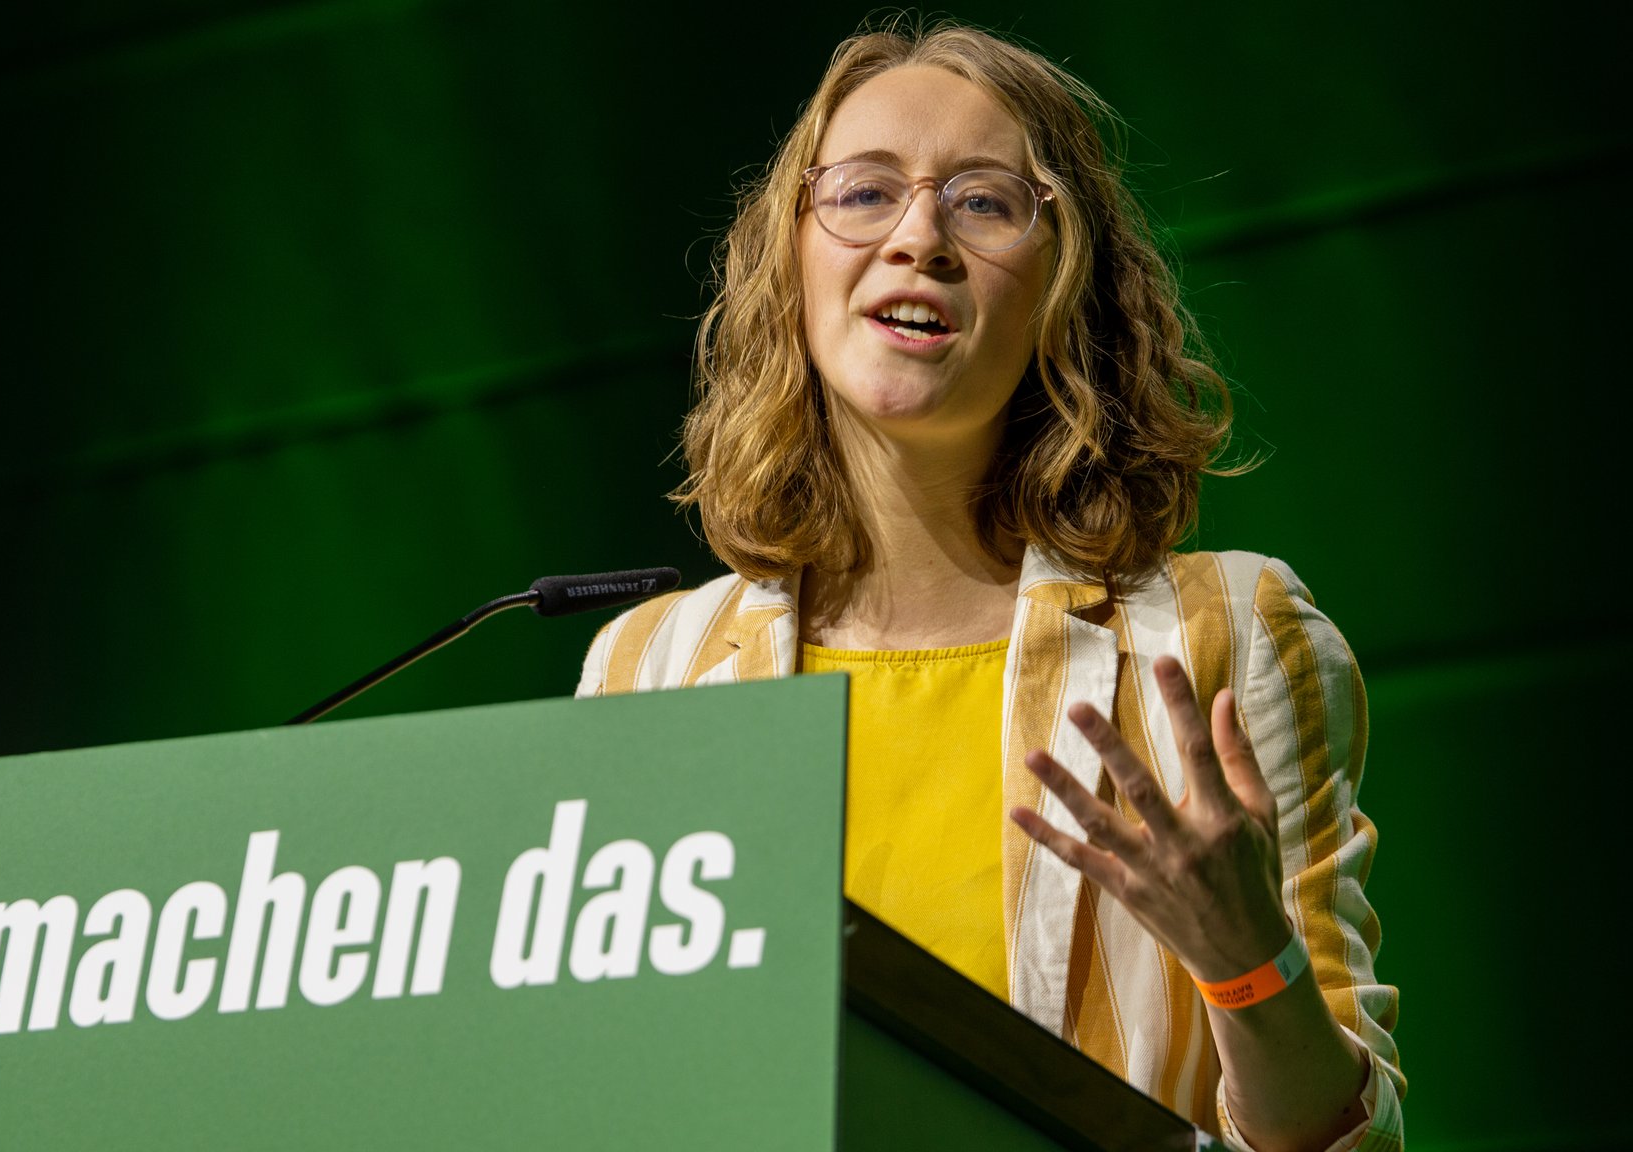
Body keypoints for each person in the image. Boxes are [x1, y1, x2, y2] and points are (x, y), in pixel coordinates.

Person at [575, 20, 1403, 1152]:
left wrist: (1244, 965)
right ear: (790, 260)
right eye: (863, 193)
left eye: (982, 202)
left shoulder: (1223, 636)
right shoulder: (647, 671)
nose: (918, 236)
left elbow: (1337, 1145)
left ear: (1068, 285)